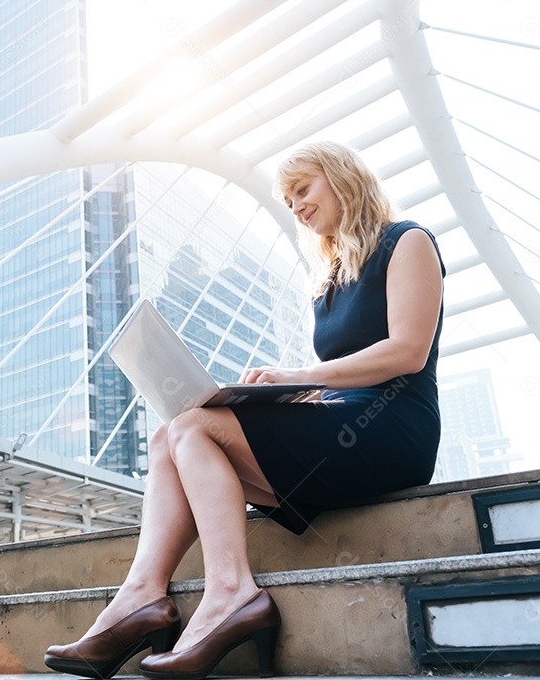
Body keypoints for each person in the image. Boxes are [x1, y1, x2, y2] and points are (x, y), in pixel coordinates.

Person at [44, 141, 445, 680]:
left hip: (396, 429)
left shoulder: (408, 241)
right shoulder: (326, 284)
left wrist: (299, 376)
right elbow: (341, 378)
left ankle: (231, 591)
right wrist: (289, 395)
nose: (297, 206)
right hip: (342, 420)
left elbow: (407, 351)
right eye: (288, 200)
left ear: (343, 177)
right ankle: (140, 595)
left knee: (194, 427)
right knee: (170, 434)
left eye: (303, 190)